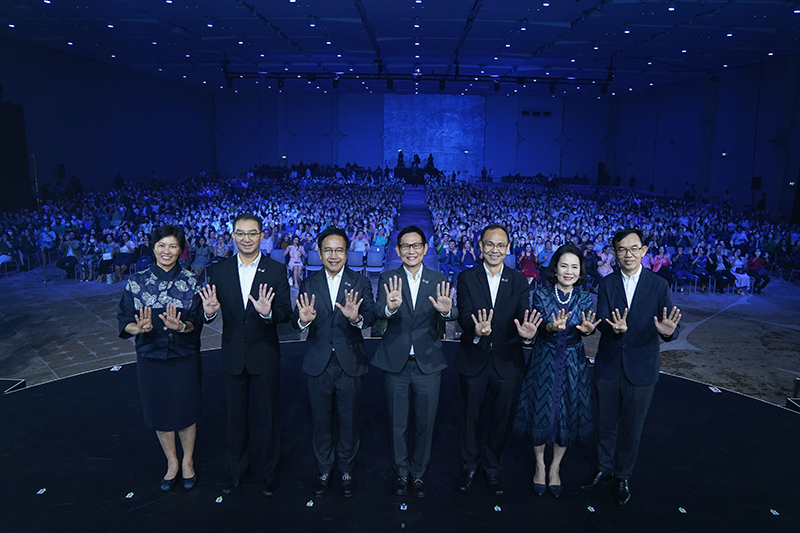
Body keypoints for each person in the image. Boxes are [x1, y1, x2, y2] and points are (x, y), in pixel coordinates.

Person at [580, 228, 681, 506]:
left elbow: (670, 322)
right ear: (614, 253)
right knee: (606, 424)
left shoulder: (658, 285)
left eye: (634, 248)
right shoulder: (607, 283)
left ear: (644, 251)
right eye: (622, 249)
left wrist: (669, 332)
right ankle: (604, 468)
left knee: (632, 428)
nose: (628, 254)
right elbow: (602, 318)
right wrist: (613, 328)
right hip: (609, 365)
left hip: (642, 366)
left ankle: (623, 475)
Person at [199, 214, 292, 497]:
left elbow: (286, 312)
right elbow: (211, 308)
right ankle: (237, 471)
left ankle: (269, 473)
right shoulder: (220, 270)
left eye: (252, 233)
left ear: (262, 235)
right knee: (235, 419)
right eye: (240, 233)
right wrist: (209, 313)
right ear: (232, 236)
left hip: (264, 353)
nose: (247, 239)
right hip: (233, 354)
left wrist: (268, 313)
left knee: (269, 418)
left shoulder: (276, 270)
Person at [454, 224, 542, 496]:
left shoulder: (518, 281)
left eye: (500, 245)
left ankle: (492, 469)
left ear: (508, 249)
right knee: (470, 419)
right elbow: (463, 313)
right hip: (474, 358)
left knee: (500, 420)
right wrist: (474, 328)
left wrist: (527, 334)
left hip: (507, 361)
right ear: (480, 246)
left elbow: (524, 316)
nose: (495, 250)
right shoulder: (466, 277)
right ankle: (469, 466)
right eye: (489, 244)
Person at [117, 225, 204, 491]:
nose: (167, 251)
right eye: (162, 245)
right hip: (150, 358)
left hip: (183, 357)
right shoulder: (137, 281)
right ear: (153, 247)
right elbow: (124, 320)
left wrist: (182, 326)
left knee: (185, 411)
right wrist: (138, 328)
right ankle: (172, 462)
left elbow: (196, 321)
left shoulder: (191, 281)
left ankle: (188, 461)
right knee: (160, 412)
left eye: (173, 246)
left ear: (181, 250)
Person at [373, 226, 457, 498]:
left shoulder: (437, 278)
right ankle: (401, 473)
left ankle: (418, 474)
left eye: (416, 245)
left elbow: (452, 311)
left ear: (424, 248)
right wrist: (390, 309)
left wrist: (447, 313)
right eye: (405, 246)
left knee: (425, 423)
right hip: (395, 363)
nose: (411, 251)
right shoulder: (388, 278)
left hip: (428, 363)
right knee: (397, 424)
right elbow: (377, 311)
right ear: (398, 251)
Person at [292, 227, 375, 498]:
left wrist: (356, 319)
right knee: (321, 420)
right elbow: (295, 319)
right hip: (319, 361)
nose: (334, 255)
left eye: (339, 250)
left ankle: (347, 469)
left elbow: (371, 316)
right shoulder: (308, 283)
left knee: (349, 420)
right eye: (328, 250)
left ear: (347, 253)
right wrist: (303, 320)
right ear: (320, 253)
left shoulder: (360, 282)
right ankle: (325, 469)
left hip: (350, 361)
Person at [514, 245, 599, 498]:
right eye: (564, 266)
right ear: (555, 268)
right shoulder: (541, 294)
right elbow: (541, 324)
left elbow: (587, 326)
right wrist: (551, 326)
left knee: (568, 412)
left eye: (574, 267)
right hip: (544, 357)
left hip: (574, 361)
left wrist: (589, 331)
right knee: (540, 410)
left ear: (580, 271)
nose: (569, 271)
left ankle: (555, 467)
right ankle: (540, 465)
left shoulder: (585, 297)